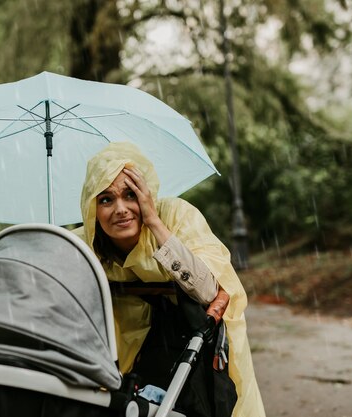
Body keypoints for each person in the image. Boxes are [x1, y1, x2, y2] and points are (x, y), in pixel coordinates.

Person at [74, 142, 265, 417]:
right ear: (92, 208)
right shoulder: (84, 242)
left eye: (131, 194)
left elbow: (210, 291)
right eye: (105, 199)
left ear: (147, 193)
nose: (120, 209)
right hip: (115, 355)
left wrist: (153, 221)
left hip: (188, 341)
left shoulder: (176, 215)